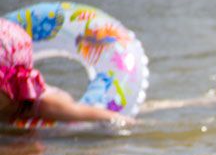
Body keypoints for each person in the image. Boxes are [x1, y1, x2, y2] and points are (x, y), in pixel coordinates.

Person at [0, 17, 133, 126]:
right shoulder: (5, 99)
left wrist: (126, 123)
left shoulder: (45, 105)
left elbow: (110, 118)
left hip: (63, 109)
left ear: (13, 85)